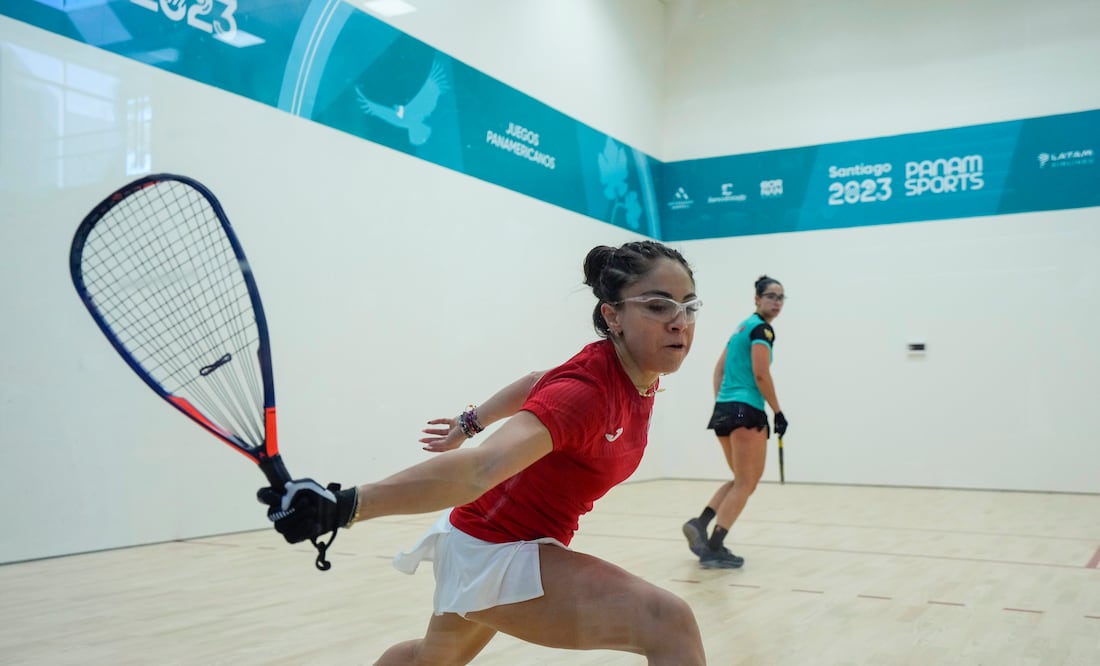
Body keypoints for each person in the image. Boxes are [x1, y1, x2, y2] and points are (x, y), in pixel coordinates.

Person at [259, 240, 708, 665]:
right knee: (670, 624)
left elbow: (537, 380)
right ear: (613, 317)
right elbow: (481, 469)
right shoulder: (588, 393)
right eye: (657, 305)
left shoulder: (629, 374)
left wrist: (468, 422)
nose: (679, 321)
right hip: (495, 551)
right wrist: (345, 506)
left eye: (688, 306)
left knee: (429, 660)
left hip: (488, 540)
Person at [681, 275, 787, 569]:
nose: (776, 302)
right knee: (746, 482)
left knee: (740, 479)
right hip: (747, 411)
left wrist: (723, 405)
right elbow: (761, 374)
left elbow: (718, 371)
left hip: (725, 411)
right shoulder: (761, 331)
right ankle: (714, 546)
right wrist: (778, 412)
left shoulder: (740, 328)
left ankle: (700, 523)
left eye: (781, 297)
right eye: (771, 296)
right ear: (757, 298)